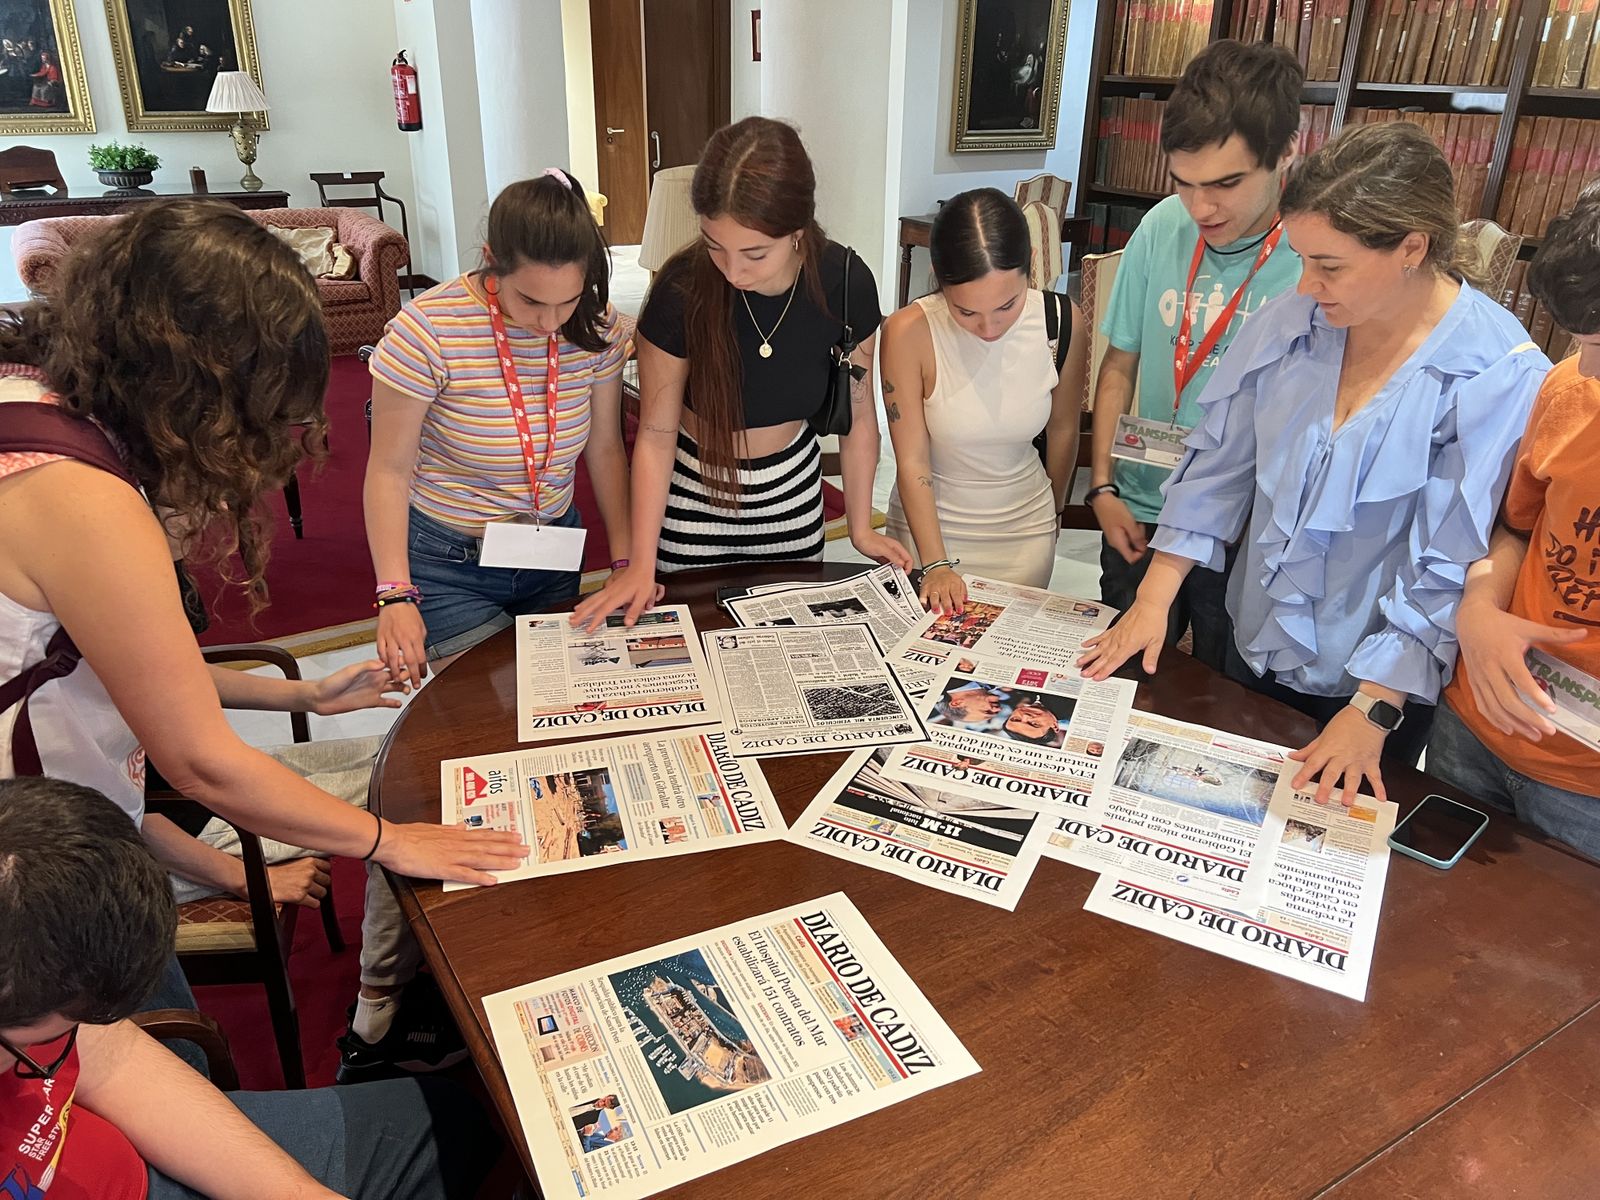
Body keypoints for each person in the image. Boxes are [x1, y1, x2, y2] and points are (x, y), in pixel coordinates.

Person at [0, 200, 525, 1076]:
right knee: (127, 1086)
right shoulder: (78, 497)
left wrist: (299, 694)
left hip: (79, 828)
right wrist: (388, 841)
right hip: (43, 880)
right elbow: (202, 762)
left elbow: (117, 662)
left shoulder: (35, 399)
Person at [1079, 121, 1550, 805]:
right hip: (1250, 639)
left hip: (1373, 688)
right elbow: (1218, 470)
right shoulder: (1291, 322)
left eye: (1330, 265)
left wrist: (1375, 709)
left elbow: (1449, 563)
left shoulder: (1494, 374)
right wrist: (1153, 600)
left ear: (1412, 247)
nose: (1308, 283)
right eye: (1301, 258)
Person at [0, 775, 499, 1199]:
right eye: (36, 1046)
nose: (57, 1049)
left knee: (453, 1122)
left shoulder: (28, 992)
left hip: (128, 1161)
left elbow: (110, 1060)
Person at [573, 117, 910, 631]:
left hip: (793, 497)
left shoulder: (845, 283)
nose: (732, 270)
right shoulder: (681, 290)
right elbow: (658, 434)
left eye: (755, 253)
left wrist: (860, 526)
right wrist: (639, 561)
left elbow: (860, 417)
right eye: (714, 245)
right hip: (692, 497)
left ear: (797, 232)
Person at [1087, 40, 1306, 671]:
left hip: (1241, 529)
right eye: (1183, 183)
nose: (1201, 207)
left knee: (1221, 685)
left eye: (1226, 184)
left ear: (1286, 150)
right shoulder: (1160, 227)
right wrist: (1102, 485)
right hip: (1139, 504)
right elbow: (1120, 364)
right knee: (1122, 674)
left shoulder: (1311, 259)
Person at [367, 170, 638, 675]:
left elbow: (605, 449)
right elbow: (388, 470)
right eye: (531, 301)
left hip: (550, 550)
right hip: (448, 560)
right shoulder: (429, 330)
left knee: (560, 695)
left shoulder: (597, 327)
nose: (550, 323)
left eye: (568, 300)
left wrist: (625, 562)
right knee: (493, 704)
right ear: (492, 261)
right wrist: (394, 594)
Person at [1427, 188, 1600, 854]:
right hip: (1476, 723)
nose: (1587, 366)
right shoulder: (1566, 389)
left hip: (1585, 786)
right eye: (1582, 342)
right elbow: (1518, 528)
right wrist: (1478, 607)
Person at [880, 188, 1088, 612]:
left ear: (1030, 263)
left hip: (1024, 529)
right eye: (966, 312)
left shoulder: (1061, 322)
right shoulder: (908, 332)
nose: (989, 329)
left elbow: (1064, 427)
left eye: (1007, 305)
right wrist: (936, 562)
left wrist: (1056, 510)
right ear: (939, 274)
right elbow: (912, 459)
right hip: (928, 530)